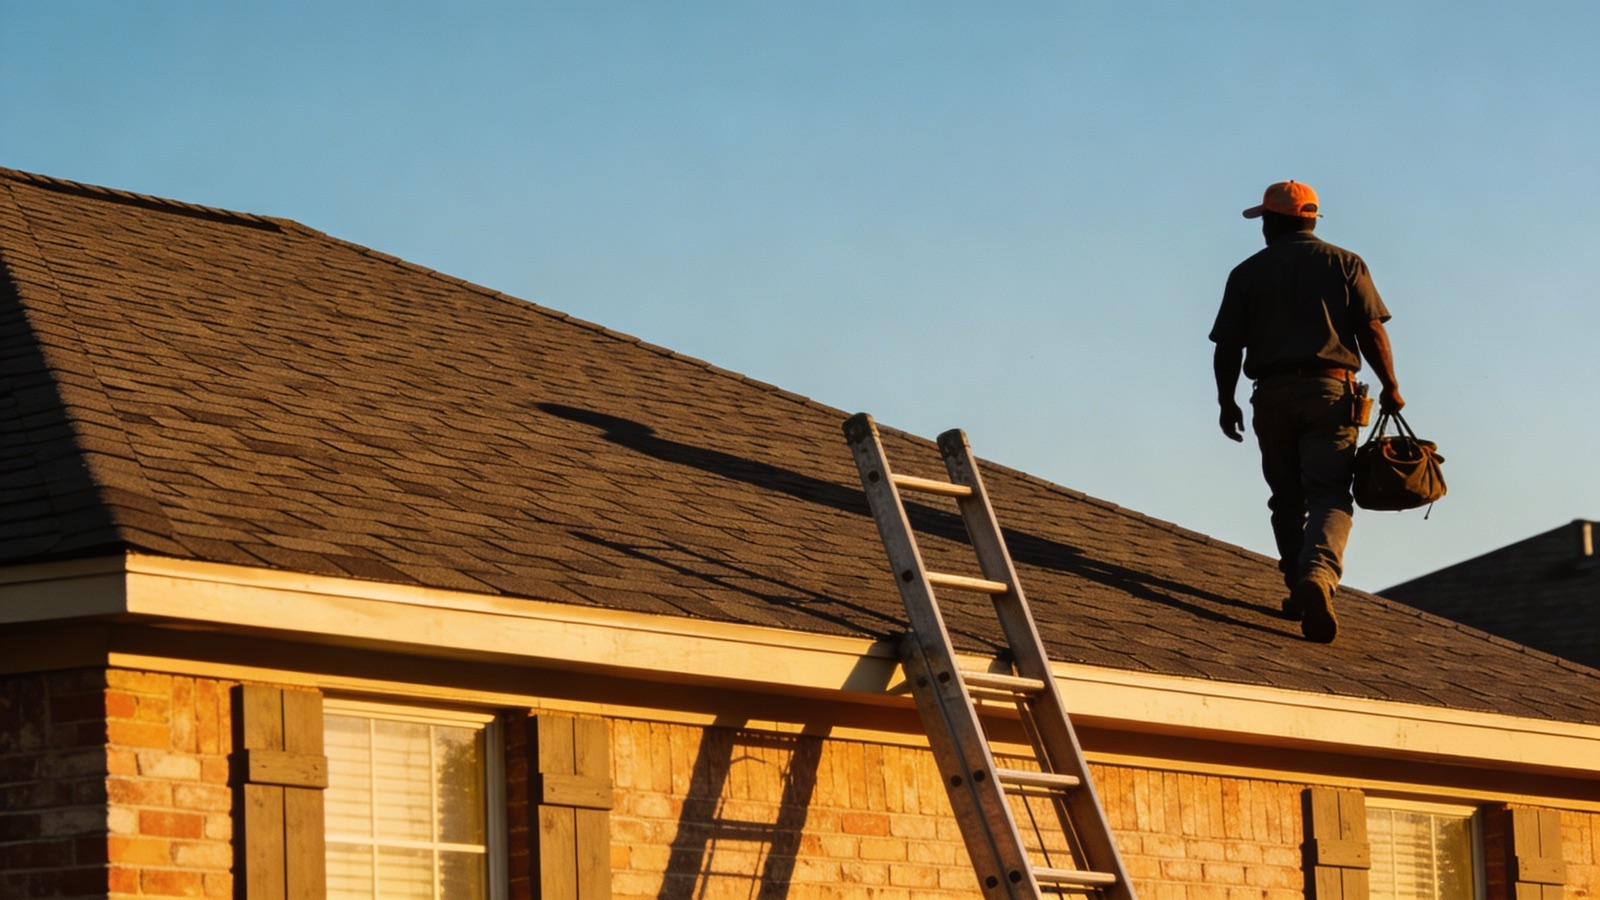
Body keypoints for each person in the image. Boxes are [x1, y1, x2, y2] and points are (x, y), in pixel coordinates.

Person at [1209, 180, 1403, 644]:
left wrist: (1226, 400)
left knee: (1286, 499)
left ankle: (1299, 587)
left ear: (1275, 222)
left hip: (1271, 394)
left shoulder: (1246, 273)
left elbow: (1227, 347)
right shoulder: (1345, 262)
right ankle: (1318, 575)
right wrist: (1392, 385)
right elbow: (1372, 330)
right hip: (1331, 391)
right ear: (1311, 220)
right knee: (1330, 495)